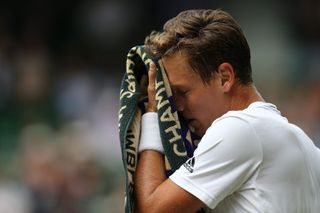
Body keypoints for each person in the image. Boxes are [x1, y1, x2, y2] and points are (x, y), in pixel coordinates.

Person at [134, 9, 320, 213]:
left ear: (224, 77)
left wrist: (151, 113)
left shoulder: (239, 128)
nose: (177, 106)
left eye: (182, 92)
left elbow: (153, 209)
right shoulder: (307, 146)